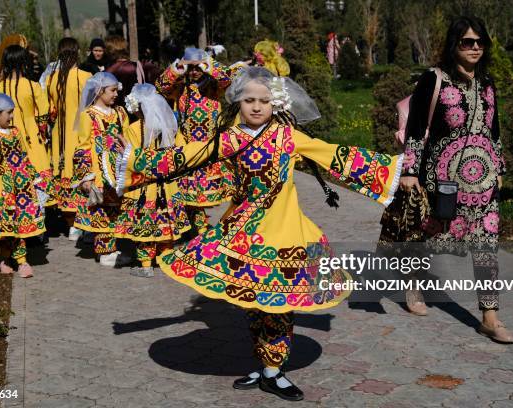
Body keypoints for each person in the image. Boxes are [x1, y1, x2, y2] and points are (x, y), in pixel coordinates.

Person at [115, 67, 402, 401]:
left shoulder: (287, 137)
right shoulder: (230, 138)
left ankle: (273, 370)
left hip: (284, 234)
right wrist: (133, 156)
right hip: (242, 233)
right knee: (252, 301)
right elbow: (187, 156)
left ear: (275, 103)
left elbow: (333, 155)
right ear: (238, 102)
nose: (255, 106)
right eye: (249, 99)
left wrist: (392, 169)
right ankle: (266, 367)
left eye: (264, 100)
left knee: (278, 304)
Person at [398, 16, 512, 343]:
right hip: (443, 182)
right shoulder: (434, 80)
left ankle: (490, 316)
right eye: (467, 42)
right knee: (429, 236)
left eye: (480, 42)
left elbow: (495, 130)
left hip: (484, 184)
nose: (475, 48)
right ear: (455, 44)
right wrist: (409, 171)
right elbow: (416, 129)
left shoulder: (487, 82)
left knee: (487, 246)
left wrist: (499, 169)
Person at [155, 47, 237, 234]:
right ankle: (197, 227)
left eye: (197, 68)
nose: (193, 72)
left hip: (210, 145)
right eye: (190, 68)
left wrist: (209, 65)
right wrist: (176, 69)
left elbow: (229, 79)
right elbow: (160, 87)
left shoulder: (214, 86)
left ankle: (201, 226)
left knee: (204, 193)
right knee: (189, 193)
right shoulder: (180, 89)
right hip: (187, 145)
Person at [114, 84, 191, 277]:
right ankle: (166, 259)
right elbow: (179, 153)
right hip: (166, 184)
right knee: (166, 222)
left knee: (145, 226)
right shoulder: (170, 126)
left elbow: (128, 155)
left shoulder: (133, 128)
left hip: (143, 185)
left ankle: (146, 265)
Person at [0, 94, 50, 278]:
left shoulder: (15, 131)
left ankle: (15, 260)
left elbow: (23, 156)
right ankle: (12, 260)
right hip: (2, 185)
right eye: (9, 112)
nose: (12, 116)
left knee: (20, 225)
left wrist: (35, 178)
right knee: (7, 227)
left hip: (21, 185)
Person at [73, 72, 129, 266]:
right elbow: (82, 147)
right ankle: (105, 252)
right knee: (101, 211)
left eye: (116, 90)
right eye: (112, 91)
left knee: (115, 210)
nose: (115, 94)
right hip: (99, 171)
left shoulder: (120, 113)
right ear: (99, 91)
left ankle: (112, 247)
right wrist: (85, 177)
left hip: (119, 170)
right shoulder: (88, 116)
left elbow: (127, 138)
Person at [0, 45, 54, 206]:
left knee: (10, 185)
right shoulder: (33, 87)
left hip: (6, 143)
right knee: (38, 185)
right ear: (23, 63)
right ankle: (37, 225)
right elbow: (43, 116)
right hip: (32, 140)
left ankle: (15, 224)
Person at [45, 38, 93, 240]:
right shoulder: (86, 77)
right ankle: (83, 225)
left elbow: (50, 111)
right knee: (82, 176)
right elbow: (92, 108)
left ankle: (70, 224)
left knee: (63, 175)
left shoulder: (51, 79)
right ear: (77, 52)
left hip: (59, 135)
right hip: (81, 133)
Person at [105, 35, 161, 108]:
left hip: (119, 114)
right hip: (142, 113)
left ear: (110, 51)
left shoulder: (109, 72)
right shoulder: (143, 66)